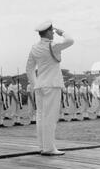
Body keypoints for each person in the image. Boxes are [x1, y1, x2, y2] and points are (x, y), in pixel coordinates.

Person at [26, 21, 74, 155]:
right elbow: (70, 40)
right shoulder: (53, 46)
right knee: (50, 117)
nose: (53, 33)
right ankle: (49, 148)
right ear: (47, 32)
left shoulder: (34, 48)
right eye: (52, 31)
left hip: (40, 86)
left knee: (41, 116)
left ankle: (42, 146)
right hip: (52, 85)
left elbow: (29, 69)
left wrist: (35, 84)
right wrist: (62, 32)